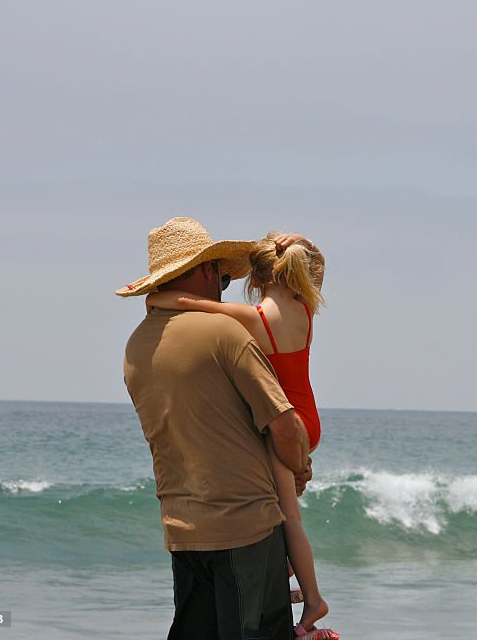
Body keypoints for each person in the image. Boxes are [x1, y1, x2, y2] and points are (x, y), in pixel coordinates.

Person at [118, 217, 313, 640]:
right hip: (245, 526)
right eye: (223, 278)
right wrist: (300, 464)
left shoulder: (135, 346)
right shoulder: (223, 332)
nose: (223, 285)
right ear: (206, 270)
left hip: (182, 530)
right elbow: (285, 423)